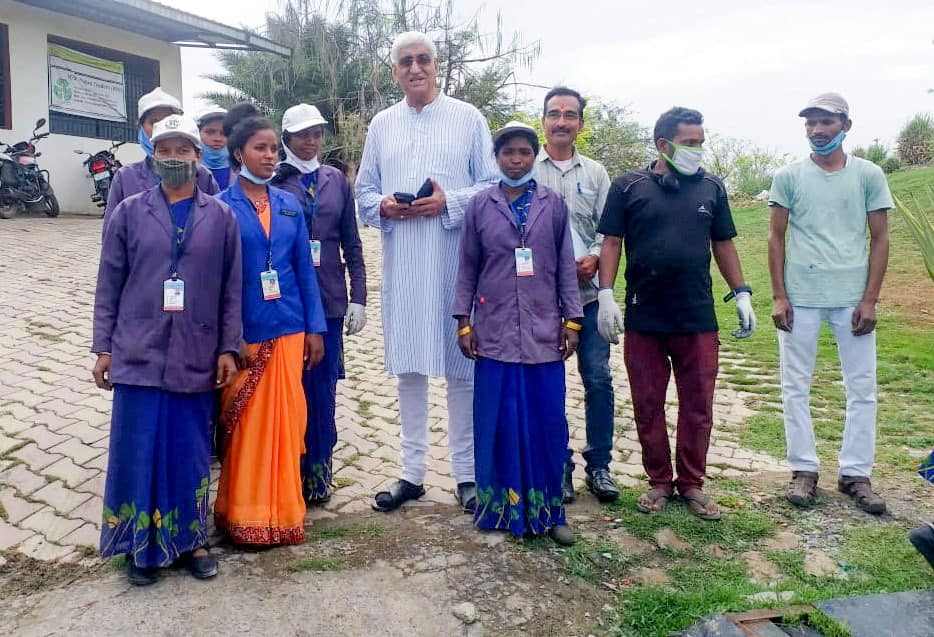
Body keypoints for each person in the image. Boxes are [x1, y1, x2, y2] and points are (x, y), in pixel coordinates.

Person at [92, 114, 242, 586]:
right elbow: (109, 282)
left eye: (184, 150)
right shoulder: (130, 211)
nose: (174, 158)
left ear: (198, 157)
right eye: (166, 149)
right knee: (137, 449)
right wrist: (103, 347)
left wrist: (229, 348)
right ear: (153, 155)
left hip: (196, 351)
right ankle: (138, 546)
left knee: (189, 450)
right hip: (137, 349)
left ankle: (190, 541)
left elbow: (231, 289)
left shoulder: (220, 216)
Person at [355, 31, 498, 513]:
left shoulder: (468, 118)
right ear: (393, 72)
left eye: (423, 60)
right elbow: (363, 192)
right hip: (404, 266)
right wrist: (384, 207)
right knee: (409, 370)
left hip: (457, 261)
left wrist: (448, 202)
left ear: (437, 66)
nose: (415, 68)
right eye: (405, 62)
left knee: (462, 367)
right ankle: (412, 474)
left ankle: (467, 475)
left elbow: (494, 185)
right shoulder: (382, 124)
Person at [597, 107, 757, 521]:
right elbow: (612, 242)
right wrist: (606, 294)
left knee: (698, 403)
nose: (697, 150)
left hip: (696, 316)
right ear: (663, 145)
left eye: (701, 142)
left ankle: (692, 483)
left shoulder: (711, 188)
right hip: (644, 315)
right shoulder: (628, 186)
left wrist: (741, 293)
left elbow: (724, 244)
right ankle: (658, 482)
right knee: (647, 402)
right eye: (690, 143)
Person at [454, 121, 582, 545]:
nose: (516, 160)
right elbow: (468, 267)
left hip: (545, 331)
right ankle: (499, 509)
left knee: (547, 422)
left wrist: (573, 320)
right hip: (494, 332)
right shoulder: (479, 205)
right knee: (498, 422)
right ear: (497, 157)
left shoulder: (553, 204)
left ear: (534, 156)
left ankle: (551, 512)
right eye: (508, 152)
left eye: (525, 152)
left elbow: (565, 266)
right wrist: (463, 320)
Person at [768, 93, 893, 515]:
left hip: (852, 299)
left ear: (846, 125)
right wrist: (780, 295)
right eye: (811, 123)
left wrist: (870, 299)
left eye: (827, 122)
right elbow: (775, 238)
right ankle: (804, 469)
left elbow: (880, 238)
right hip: (801, 297)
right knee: (794, 387)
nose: (818, 130)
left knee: (862, 389)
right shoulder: (788, 176)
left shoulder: (868, 175)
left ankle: (855, 473)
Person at [214, 114, 327, 545]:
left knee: (287, 424)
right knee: (248, 429)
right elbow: (219, 280)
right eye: (259, 148)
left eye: (273, 149)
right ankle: (242, 515)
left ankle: (283, 514)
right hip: (247, 331)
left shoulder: (288, 203)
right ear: (238, 153)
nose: (268, 156)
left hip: (291, 326)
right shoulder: (221, 207)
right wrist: (230, 336)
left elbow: (303, 268)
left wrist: (315, 327)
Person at [272, 103, 367, 503]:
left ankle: (318, 474)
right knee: (287, 390)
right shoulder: (275, 181)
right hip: (287, 303)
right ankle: (287, 471)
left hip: (329, 301)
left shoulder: (335, 180)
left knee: (322, 391)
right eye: (301, 135)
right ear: (286, 138)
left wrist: (359, 295)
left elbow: (352, 242)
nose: (310, 141)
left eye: (316, 133)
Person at [533, 86, 619, 504]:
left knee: (598, 380)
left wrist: (593, 258)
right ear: (543, 120)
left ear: (581, 123)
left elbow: (610, 230)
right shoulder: (527, 169)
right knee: (552, 385)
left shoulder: (597, 174)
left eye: (570, 114)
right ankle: (558, 466)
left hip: (587, 294)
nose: (562, 121)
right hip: (543, 301)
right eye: (554, 114)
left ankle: (599, 466)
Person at [104, 88, 219, 230]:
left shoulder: (203, 176)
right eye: (154, 122)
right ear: (140, 127)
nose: (162, 127)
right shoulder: (125, 177)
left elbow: (217, 227)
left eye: (168, 120)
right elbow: (112, 237)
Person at [197, 106, 232, 190]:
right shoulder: (187, 170)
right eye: (210, 132)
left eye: (224, 133)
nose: (217, 138)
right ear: (198, 133)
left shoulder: (243, 171)